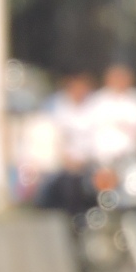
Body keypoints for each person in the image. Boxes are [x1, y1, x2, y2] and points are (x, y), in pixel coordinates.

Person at [38, 70, 97, 214]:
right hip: (65, 164)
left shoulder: (96, 107)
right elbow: (53, 138)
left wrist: (87, 159)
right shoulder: (57, 107)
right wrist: (66, 159)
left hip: (90, 162)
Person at [86, 63, 136, 166]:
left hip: (132, 155)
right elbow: (90, 128)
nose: (120, 81)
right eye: (116, 77)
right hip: (103, 158)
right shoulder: (97, 99)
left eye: (123, 77)